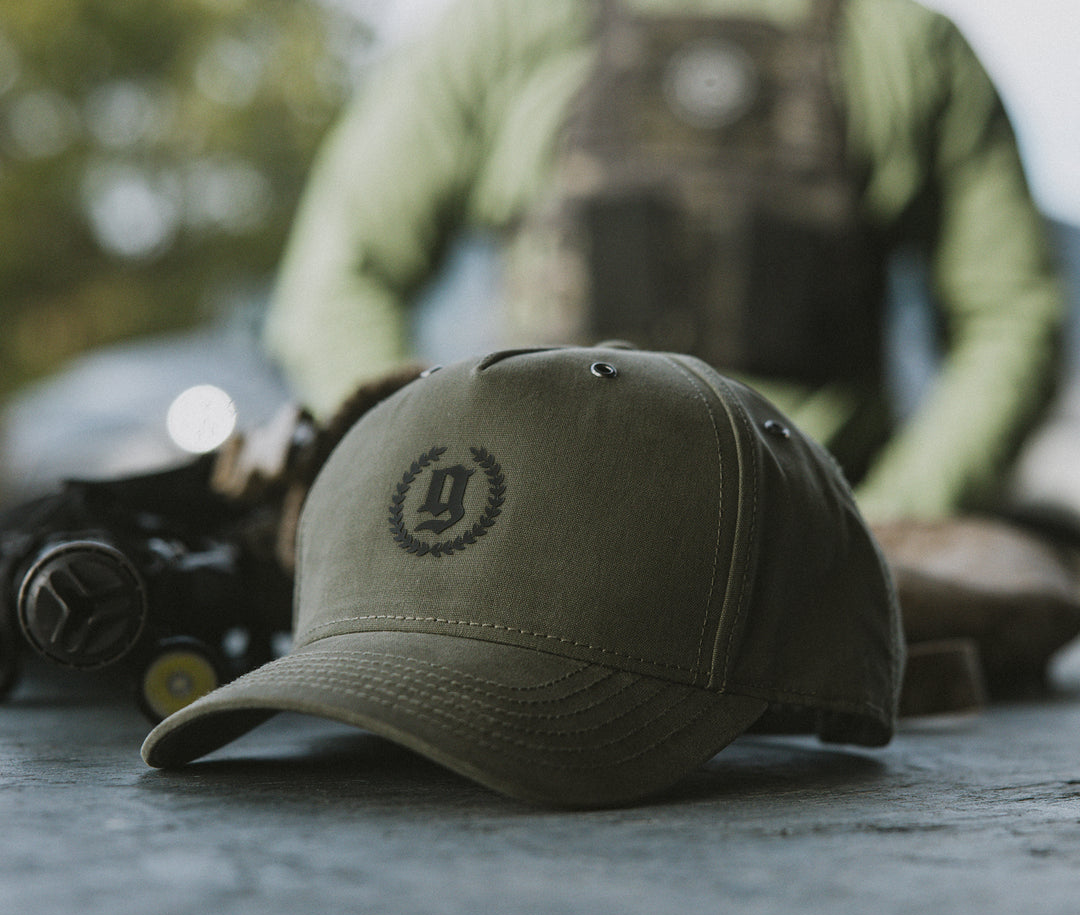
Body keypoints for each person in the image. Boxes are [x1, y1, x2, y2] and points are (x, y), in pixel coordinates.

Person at [261, 0, 1064, 528]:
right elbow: (337, 287)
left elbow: (1012, 318)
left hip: (811, 563)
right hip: (537, 549)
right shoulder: (504, 29)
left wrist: (883, 526)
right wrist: (449, 492)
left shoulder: (912, 47)